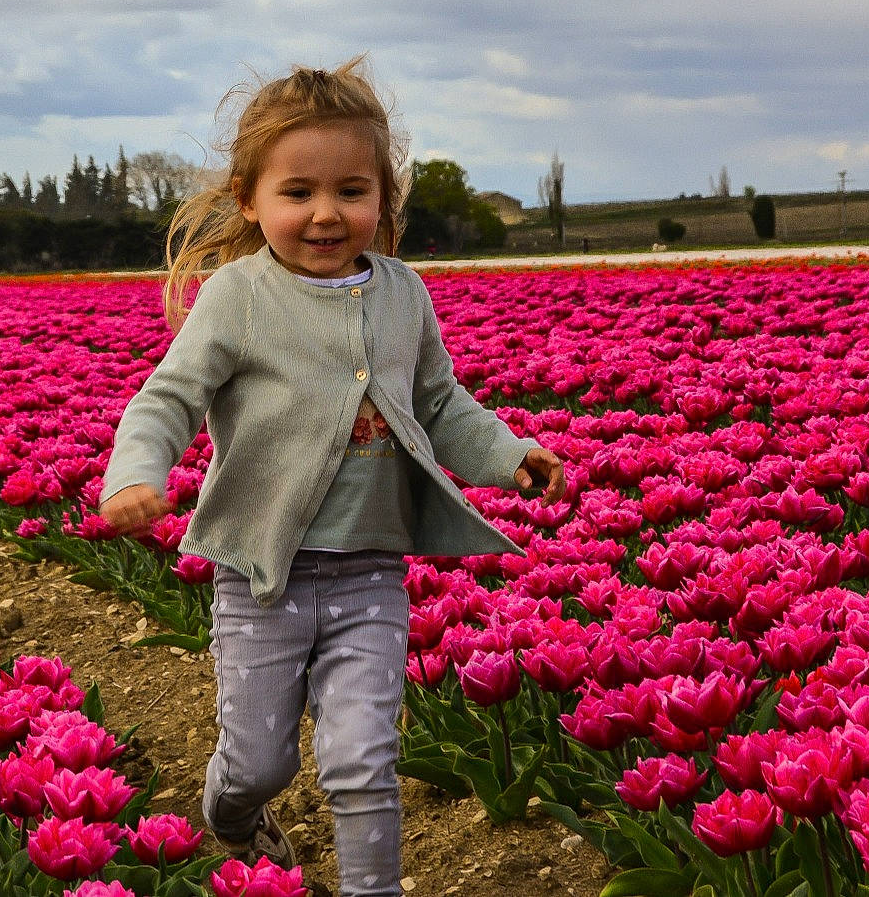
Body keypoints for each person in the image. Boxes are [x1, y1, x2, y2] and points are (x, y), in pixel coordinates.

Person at [98, 56, 566, 897]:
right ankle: (234, 812)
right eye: (298, 191)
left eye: (351, 190)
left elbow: (440, 401)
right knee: (258, 762)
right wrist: (137, 471)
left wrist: (507, 452)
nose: (325, 213)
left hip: (371, 571)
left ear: (383, 197)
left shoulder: (403, 294)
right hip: (262, 578)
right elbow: (167, 397)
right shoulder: (237, 297)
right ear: (250, 199)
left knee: (363, 760)